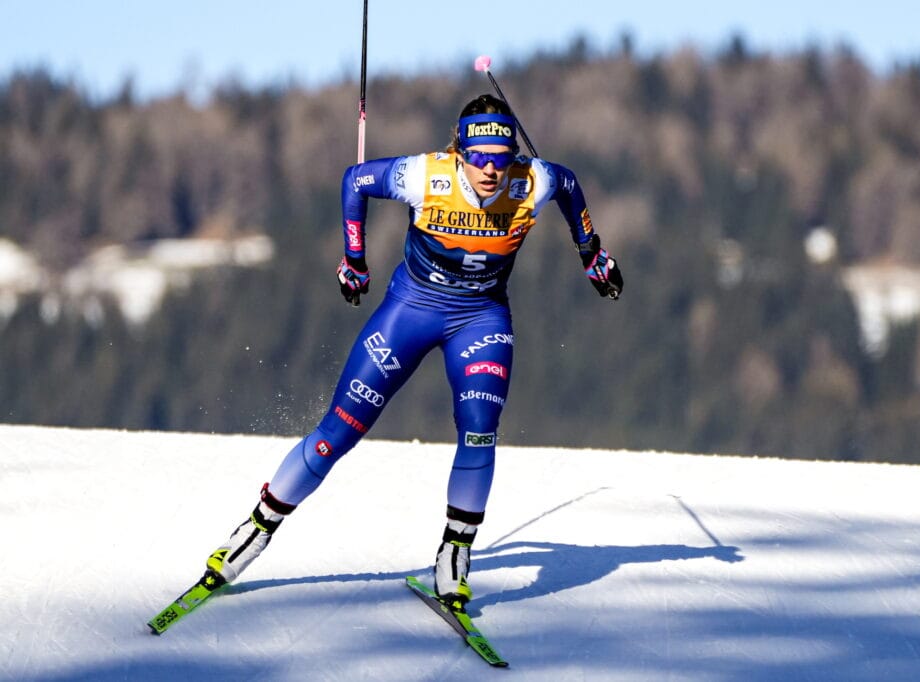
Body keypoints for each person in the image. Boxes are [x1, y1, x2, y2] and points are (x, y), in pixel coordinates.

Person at [203, 93, 624, 608]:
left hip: (481, 319)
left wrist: (593, 254)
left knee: (478, 431)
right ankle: (257, 528)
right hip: (410, 311)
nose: (490, 171)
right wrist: (353, 258)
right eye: (478, 158)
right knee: (338, 431)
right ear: (459, 153)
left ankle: (455, 551)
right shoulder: (426, 175)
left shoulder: (534, 181)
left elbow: (571, 187)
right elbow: (355, 181)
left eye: (501, 157)